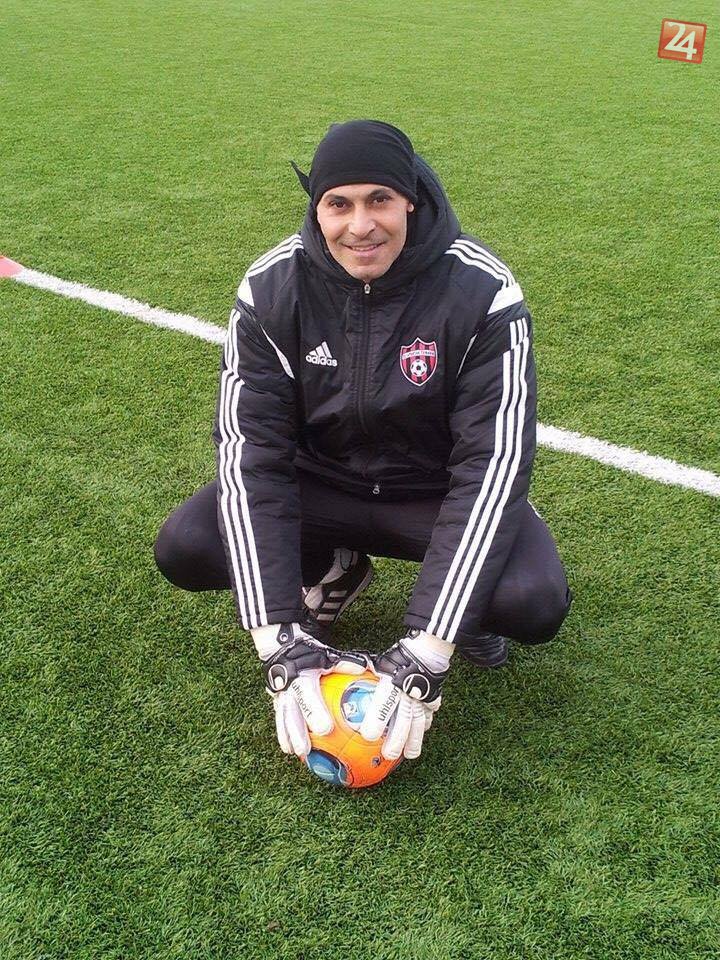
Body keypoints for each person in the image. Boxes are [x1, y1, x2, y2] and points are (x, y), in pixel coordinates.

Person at [154, 119, 572, 765]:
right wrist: (277, 640)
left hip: (432, 494)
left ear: (411, 200)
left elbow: (493, 464)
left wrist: (431, 646)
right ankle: (332, 568)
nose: (360, 225)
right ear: (316, 208)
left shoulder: (483, 290)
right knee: (188, 546)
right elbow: (250, 459)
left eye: (379, 200)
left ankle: (470, 617)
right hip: (320, 482)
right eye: (338, 204)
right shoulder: (271, 287)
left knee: (530, 600)